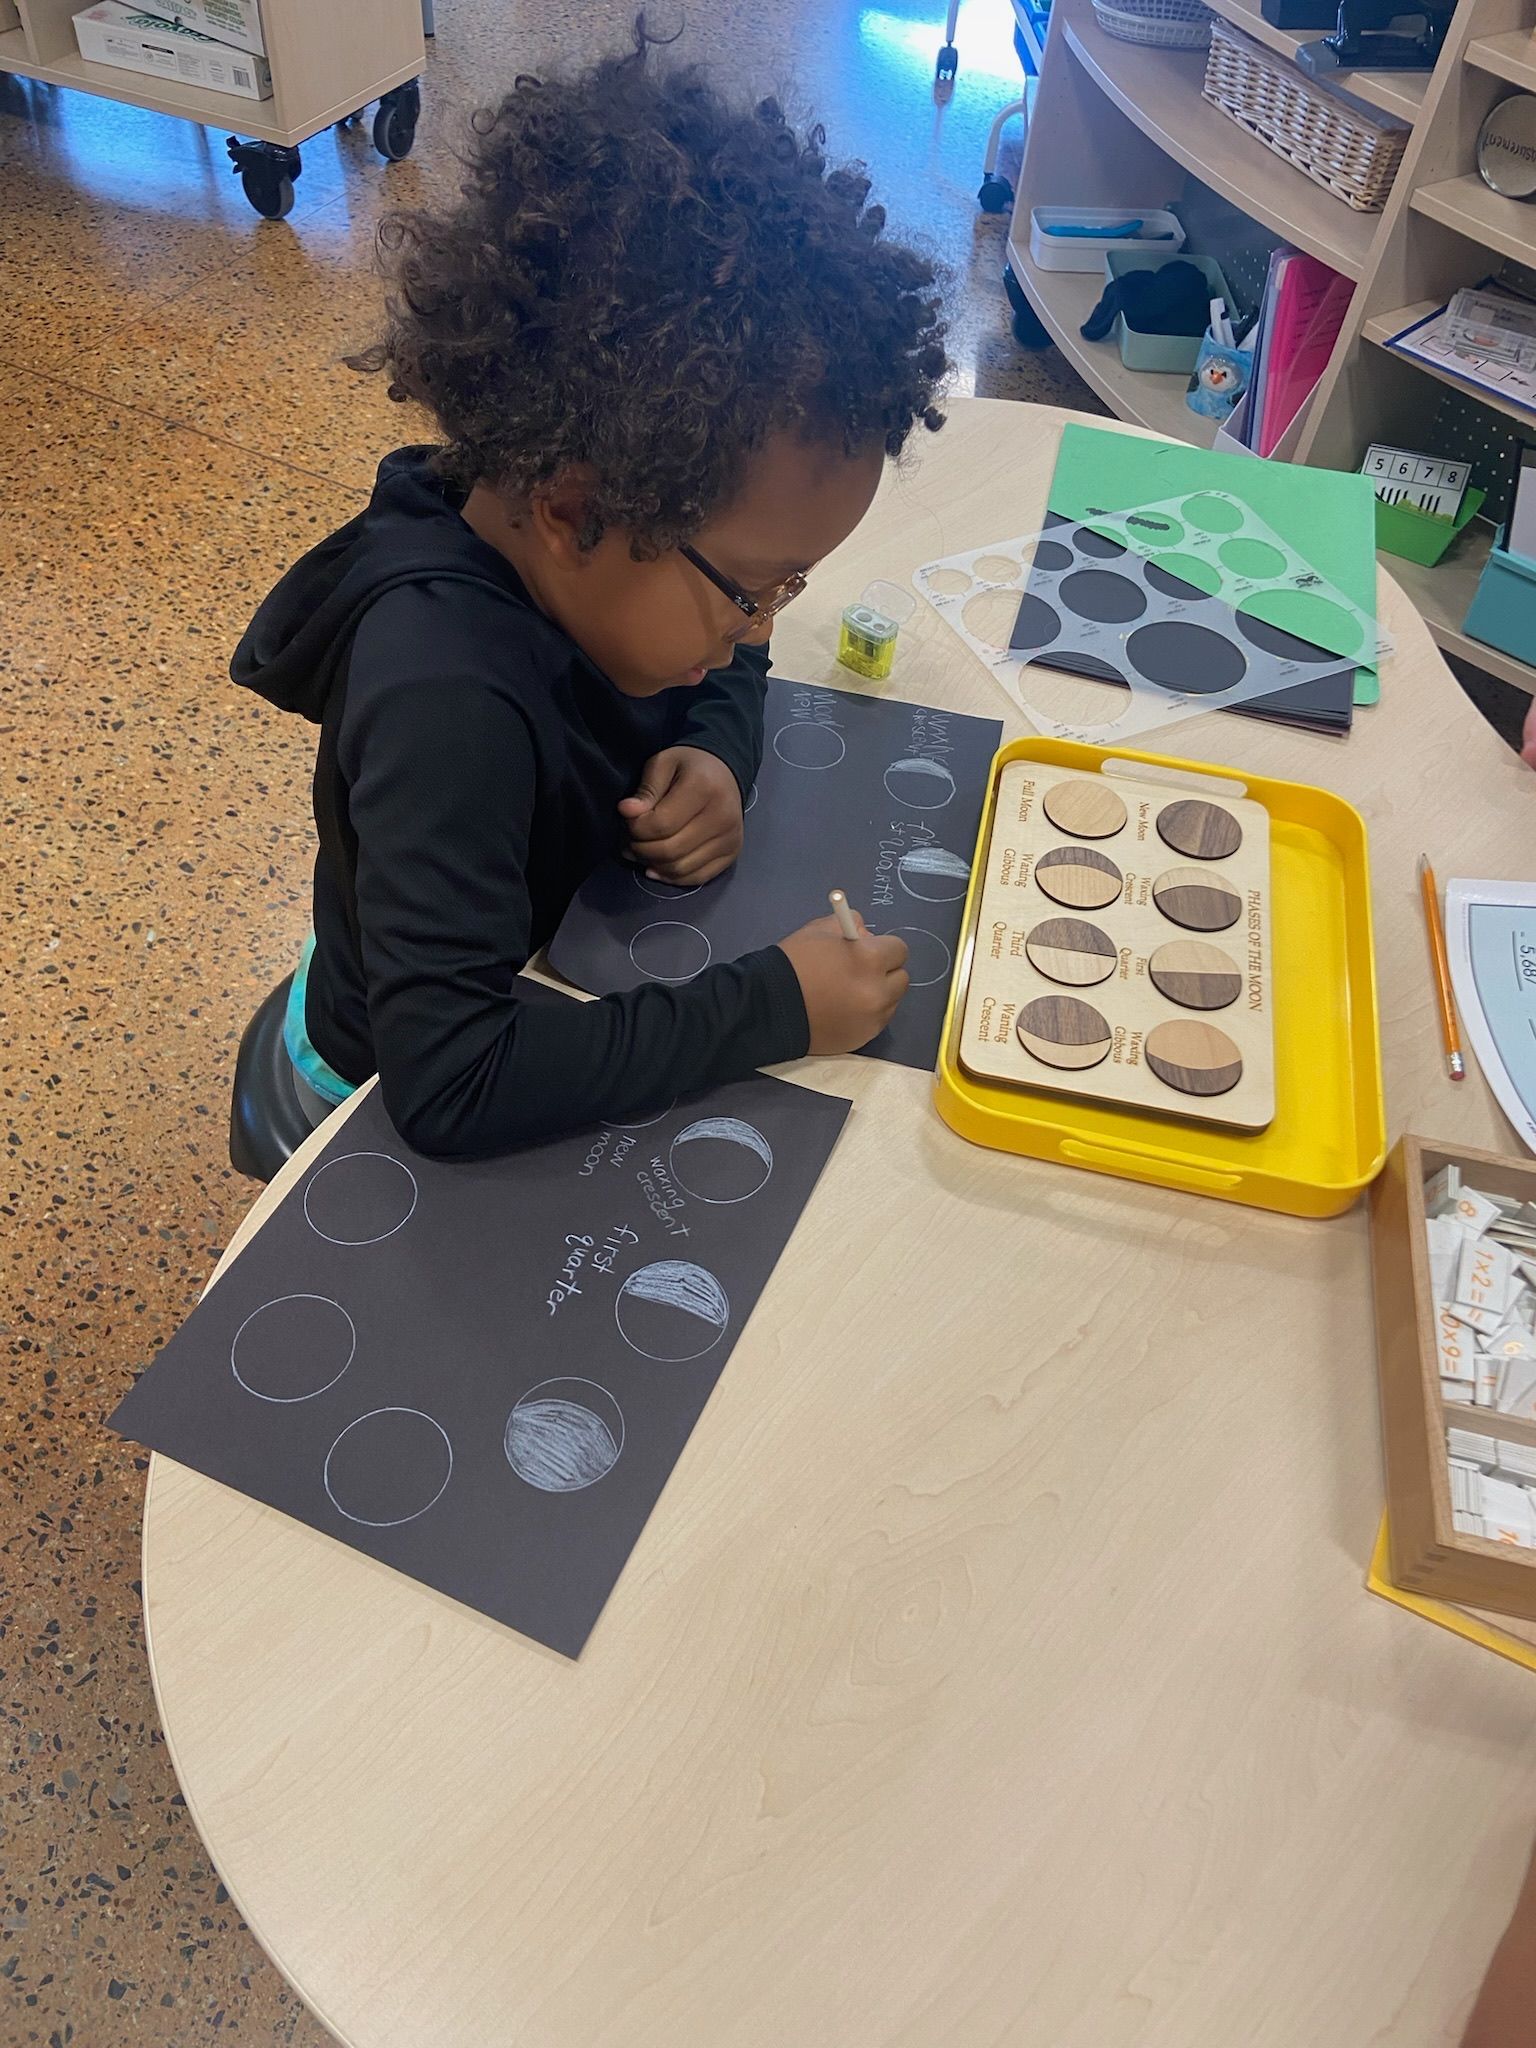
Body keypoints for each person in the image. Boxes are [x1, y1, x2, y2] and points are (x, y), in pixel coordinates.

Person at [232, 34, 948, 1159]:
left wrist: (717, 748)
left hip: (526, 953)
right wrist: (776, 1006)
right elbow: (454, 1082)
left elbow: (734, 658)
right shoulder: (444, 704)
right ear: (576, 510)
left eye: (786, 591)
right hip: (360, 1097)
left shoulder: (624, 550)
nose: (761, 628)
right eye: (751, 592)